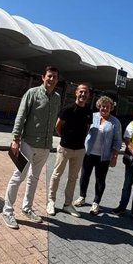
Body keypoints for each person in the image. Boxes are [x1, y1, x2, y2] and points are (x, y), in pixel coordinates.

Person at [2, 66, 61, 230]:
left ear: (57, 80)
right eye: (49, 76)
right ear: (43, 77)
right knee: (18, 176)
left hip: (45, 146)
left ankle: (27, 208)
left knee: (34, 179)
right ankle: (7, 211)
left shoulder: (57, 98)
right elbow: (21, 116)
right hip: (27, 143)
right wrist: (15, 138)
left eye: (55, 77)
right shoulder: (32, 93)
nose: (52, 79)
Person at [46, 84, 92, 218]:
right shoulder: (67, 109)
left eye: (86, 92)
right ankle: (51, 201)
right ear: (76, 93)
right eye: (81, 92)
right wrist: (65, 138)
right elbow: (58, 126)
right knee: (56, 175)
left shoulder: (89, 112)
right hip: (65, 148)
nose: (83, 94)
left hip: (79, 150)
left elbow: (87, 129)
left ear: (88, 95)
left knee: (73, 178)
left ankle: (67, 204)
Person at [74, 96, 122, 215]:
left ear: (111, 108)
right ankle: (82, 197)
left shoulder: (115, 122)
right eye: (102, 106)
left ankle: (96, 203)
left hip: (103, 156)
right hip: (88, 153)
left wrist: (114, 156)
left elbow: (117, 141)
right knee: (84, 176)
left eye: (107, 107)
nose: (104, 108)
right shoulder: (93, 116)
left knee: (100, 180)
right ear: (99, 107)